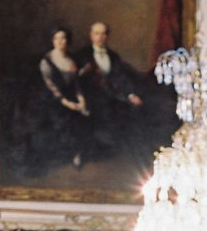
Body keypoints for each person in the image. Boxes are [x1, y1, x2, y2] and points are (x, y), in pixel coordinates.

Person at [74, 21, 155, 168]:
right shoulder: (82, 55)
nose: (100, 37)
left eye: (103, 33)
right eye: (97, 33)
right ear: (91, 36)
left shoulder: (113, 56)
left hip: (112, 96)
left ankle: (135, 156)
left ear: (107, 36)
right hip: (89, 97)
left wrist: (130, 95)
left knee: (134, 110)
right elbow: (75, 81)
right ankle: (83, 154)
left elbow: (121, 79)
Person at [38, 27, 92, 170]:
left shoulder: (72, 59)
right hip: (53, 100)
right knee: (63, 121)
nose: (61, 41)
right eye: (57, 38)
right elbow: (50, 87)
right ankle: (60, 155)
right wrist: (67, 103)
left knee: (84, 118)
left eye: (64, 38)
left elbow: (76, 84)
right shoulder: (47, 61)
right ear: (53, 40)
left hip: (71, 96)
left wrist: (81, 99)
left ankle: (77, 155)